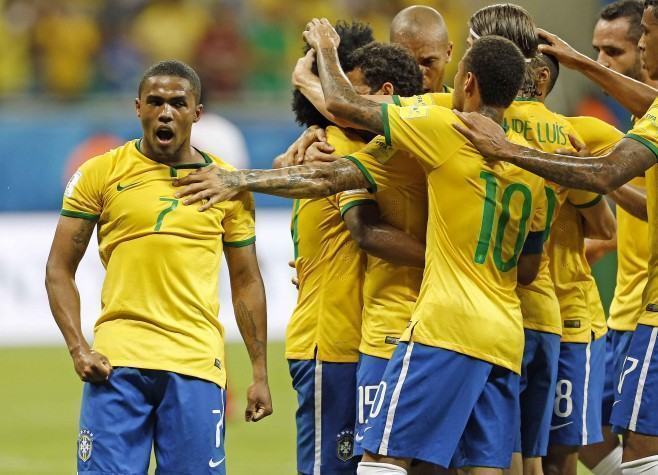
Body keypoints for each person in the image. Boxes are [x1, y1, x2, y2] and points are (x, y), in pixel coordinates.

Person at [174, 25, 546, 474]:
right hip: (506, 332)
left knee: (380, 460)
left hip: (437, 326)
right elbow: (528, 267)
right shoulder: (531, 164)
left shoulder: (439, 128)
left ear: (465, 81)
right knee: (482, 466)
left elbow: (335, 153)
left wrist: (323, 59)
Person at [451, 2, 658, 471]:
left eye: (619, 49)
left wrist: (530, 158)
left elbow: (607, 187)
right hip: (550, 312)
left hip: (551, 311)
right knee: (552, 451)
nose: (608, 61)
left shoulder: (461, 126)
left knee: (523, 452)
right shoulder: (577, 129)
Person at [44, 60, 272, 473]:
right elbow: (59, 268)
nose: (166, 112)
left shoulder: (227, 184)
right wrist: (79, 348)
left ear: (196, 112)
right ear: (138, 108)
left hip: (196, 366)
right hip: (117, 365)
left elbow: (247, 280)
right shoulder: (100, 173)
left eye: (178, 103)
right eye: (155, 101)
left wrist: (259, 372)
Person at [578, 2, 656, 473]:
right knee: (581, 432)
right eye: (596, 52)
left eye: (615, 51)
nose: (604, 63)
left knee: (633, 444)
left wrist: (597, 173)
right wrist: (606, 243)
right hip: (626, 307)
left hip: (643, 312)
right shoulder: (636, 122)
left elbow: (646, 205)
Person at [389, 5, 453, 93]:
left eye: (428, 62)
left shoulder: (466, 106)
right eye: (406, 63)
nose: (417, 75)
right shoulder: (374, 104)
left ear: (448, 52)